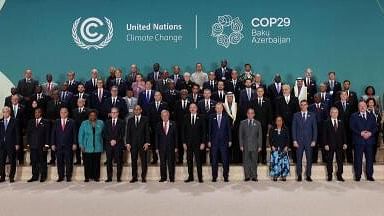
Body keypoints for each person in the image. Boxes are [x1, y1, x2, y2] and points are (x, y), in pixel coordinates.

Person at [350, 101, 377, 181]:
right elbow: (352, 127)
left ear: (366, 106)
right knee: (358, 159)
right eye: (360, 106)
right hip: (358, 141)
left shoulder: (371, 115)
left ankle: (369, 175)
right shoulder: (354, 116)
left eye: (364, 106)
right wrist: (360, 133)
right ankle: (358, 175)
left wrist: (370, 133)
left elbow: (375, 127)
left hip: (369, 141)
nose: (362, 107)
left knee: (369, 159)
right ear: (358, 107)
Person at [292, 100, 317, 182]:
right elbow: (294, 128)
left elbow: (315, 129)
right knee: (298, 159)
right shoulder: (296, 115)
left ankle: (308, 175)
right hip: (299, 141)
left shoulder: (312, 115)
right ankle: (299, 175)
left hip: (309, 141)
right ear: (300, 106)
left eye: (305, 105)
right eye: (301, 105)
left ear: (307, 105)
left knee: (309, 159)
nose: (303, 106)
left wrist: (314, 140)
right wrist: (294, 140)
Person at [51, 107, 77, 182]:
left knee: (69, 161)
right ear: (60, 113)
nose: (63, 114)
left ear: (67, 113)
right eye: (61, 112)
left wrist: (75, 143)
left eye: (65, 112)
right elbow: (53, 133)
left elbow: (74, 133)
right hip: (58, 145)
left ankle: (68, 176)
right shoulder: (56, 121)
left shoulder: (72, 122)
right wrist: (52, 144)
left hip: (69, 145)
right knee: (59, 162)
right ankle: (60, 176)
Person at [126, 105, 150, 183]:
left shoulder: (145, 119)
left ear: (141, 110)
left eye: (138, 109)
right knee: (133, 161)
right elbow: (128, 133)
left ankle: (143, 177)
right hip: (133, 144)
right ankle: (134, 177)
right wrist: (128, 143)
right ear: (133, 111)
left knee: (144, 161)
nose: (136, 111)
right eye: (135, 109)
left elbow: (147, 132)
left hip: (143, 144)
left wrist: (147, 142)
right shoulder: (130, 120)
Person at [78, 110, 104, 182]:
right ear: (89, 116)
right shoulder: (84, 123)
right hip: (86, 146)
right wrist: (81, 145)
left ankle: (96, 177)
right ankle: (87, 177)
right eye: (91, 115)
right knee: (87, 163)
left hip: (97, 146)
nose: (92, 116)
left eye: (94, 115)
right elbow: (80, 135)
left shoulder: (101, 123)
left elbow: (103, 134)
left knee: (96, 163)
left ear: (96, 116)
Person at [208, 103, 232, 182]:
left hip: (224, 142)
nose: (218, 109)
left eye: (220, 108)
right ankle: (214, 177)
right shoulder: (211, 117)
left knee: (225, 160)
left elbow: (229, 130)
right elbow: (209, 130)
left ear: (222, 108)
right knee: (214, 160)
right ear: (215, 109)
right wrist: (209, 141)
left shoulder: (226, 117)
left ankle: (225, 176)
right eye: (217, 108)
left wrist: (230, 140)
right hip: (214, 142)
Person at [183, 103, 206, 183]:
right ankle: (190, 177)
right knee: (189, 161)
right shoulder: (186, 117)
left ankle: (200, 177)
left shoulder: (201, 117)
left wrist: (203, 143)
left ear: (196, 108)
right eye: (191, 107)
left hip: (198, 143)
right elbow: (183, 131)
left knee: (198, 161)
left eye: (194, 107)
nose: (192, 109)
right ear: (189, 109)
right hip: (188, 143)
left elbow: (204, 131)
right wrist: (184, 142)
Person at [26, 108, 50, 182]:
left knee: (43, 161)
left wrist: (46, 145)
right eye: (35, 112)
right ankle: (34, 176)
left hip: (42, 146)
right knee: (34, 161)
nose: (36, 114)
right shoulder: (31, 122)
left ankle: (43, 176)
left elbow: (47, 134)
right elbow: (28, 134)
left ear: (41, 113)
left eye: (38, 112)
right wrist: (28, 144)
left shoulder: (46, 122)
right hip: (33, 145)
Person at [323, 107, 347, 181]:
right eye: (333, 112)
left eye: (336, 112)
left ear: (338, 113)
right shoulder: (326, 122)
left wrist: (345, 143)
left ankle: (339, 175)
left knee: (340, 161)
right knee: (329, 160)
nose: (334, 114)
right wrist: (325, 144)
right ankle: (329, 175)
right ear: (330, 113)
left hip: (339, 145)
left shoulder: (341, 122)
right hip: (330, 145)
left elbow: (344, 134)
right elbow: (324, 134)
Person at [239, 108, 262, 181]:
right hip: (245, 145)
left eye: (252, 113)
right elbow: (240, 135)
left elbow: (260, 136)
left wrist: (260, 146)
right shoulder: (242, 123)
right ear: (247, 114)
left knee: (254, 161)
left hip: (255, 146)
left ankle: (254, 176)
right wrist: (241, 145)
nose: (250, 114)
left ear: (254, 114)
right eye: (249, 113)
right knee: (246, 161)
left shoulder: (258, 123)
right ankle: (247, 176)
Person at [103, 107, 125, 182]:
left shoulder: (122, 122)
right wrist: (110, 140)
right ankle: (109, 177)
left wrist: (115, 140)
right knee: (109, 162)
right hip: (109, 145)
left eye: (115, 112)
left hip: (118, 145)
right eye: (112, 112)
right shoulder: (107, 122)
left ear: (118, 113)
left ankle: (118, 177)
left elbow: (122, 134)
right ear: (110, 113)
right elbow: (105, 133)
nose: (113, 114)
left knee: (119, 162)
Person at [156, 110, 178, 182]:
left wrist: (176, 146)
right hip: (161, 147)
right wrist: (156, 147)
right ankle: (163, 177)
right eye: (163, 116)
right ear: (161, 116)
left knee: (171, 163)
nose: (164, 117)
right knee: (162, 163)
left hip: (171, 147)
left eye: (166, 115)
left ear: (168, 116)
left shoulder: (173, 123)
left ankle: (171, 178)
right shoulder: (159, 124)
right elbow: (156, 137)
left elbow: (176, 136)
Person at [252, 87, 273, 164]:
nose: (260, 93)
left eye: (261, 91)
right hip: (254, 125)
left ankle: (264, 158)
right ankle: (256, 159)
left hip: (264, 125)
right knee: (255, 142)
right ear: (256, 92)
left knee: (263, 142)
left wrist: (270, 123)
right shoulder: (253, 101)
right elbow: (251, 114)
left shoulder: (267, 101)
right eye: (258, 91)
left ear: (263, 92)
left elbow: (270, 113)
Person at [0, 106, 20, 183]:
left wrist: (17, 143)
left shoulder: (14, 121)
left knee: (12, 161)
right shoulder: (1, 121)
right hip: (2, 145)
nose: (5, 113)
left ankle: (11, 177)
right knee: (1, 161)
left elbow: (17, 134)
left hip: (11, 144)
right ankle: (2, 177)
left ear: (9, 112)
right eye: (4, 112)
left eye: (6, 112)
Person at [269, 116, 290, 181]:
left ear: (282, 121)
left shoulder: (285, 129)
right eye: (277, 120)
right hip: (275, 148)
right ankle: (275, 175)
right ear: (275, 122)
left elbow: (288, 139)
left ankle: (283, 175)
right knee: (275, 162)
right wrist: (272, 146)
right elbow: (270, 139)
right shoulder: (272, 129)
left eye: (280, 120)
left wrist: (286, 146)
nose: (279, 122)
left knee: (284, 163)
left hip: (283, 148)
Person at [71, 98, 88, 165]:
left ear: (84, 103)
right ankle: (78, 160)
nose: (80, 103)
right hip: (76, 130)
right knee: (77, 146)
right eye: (78, 102)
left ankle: (85, 160)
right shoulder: (74, 111)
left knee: (84, 146)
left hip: (85, 131)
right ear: (77, 103)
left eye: (81, 101)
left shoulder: (88, 110)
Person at [366, 98, 382, 162]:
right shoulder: (365, 111)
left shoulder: (377, 111)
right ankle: (368, 158)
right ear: (367, 103)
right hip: (368, 131)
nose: (371, 104)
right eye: (370, 102)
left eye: (372, 103)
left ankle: (373, 158)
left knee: (374, 145)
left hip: (375, 131)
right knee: (368, 145)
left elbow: (379, 120)